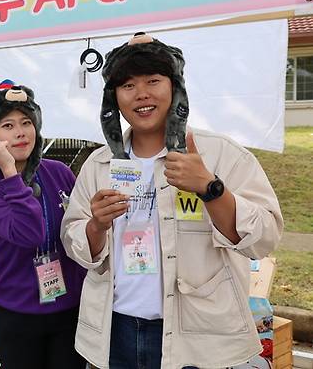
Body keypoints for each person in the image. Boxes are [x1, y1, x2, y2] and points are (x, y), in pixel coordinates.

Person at [61, 32, 284, 369]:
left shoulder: (220, 154)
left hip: (197, 336)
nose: (142, 95)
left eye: (153, 80)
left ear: (175, 87)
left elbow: (265, 238)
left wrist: (211, 188)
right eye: (128, 85)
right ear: (114, 98)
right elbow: (74, 240)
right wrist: (96, 225)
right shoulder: (99, 164)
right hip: (114, 332)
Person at [0, 80, 86, 369]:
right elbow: (30, 233)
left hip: (69, 309)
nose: (20, 132)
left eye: (26, 122)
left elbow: (79, 227)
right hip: (19, 314)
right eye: (7, 126)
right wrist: (10, 172)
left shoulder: (59, 172)